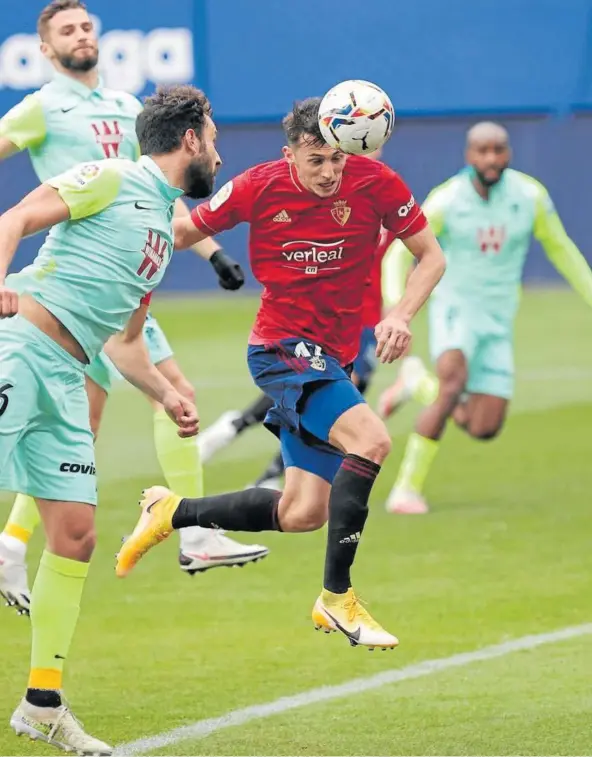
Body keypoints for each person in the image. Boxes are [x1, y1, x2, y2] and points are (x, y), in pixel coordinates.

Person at [116, 97, 446, 650]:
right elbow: (179, 232)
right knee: (372, 438)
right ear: (288, 152)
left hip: (332, 356)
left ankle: (171, 511)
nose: (329, 172)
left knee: (302, 513)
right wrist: (119, 252)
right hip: (280, 347)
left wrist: (401, 314)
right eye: (315, 160)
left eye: (336, 160)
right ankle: (336, 599)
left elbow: (430, 256)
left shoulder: (377, 181)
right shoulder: (256, 185)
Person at [0, 0, 266, 615]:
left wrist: (214, 253)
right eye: (66, 29)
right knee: (137, 400)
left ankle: (22, 547)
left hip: (130, 269)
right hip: (71, 276)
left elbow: (163, 190)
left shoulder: (128, 108)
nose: (81, 34)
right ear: (45, 48)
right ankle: (191, 529)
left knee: (111, 417)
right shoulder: (42, 107)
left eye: (87, 25)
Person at [0, 83, 217, 754]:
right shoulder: (114, 177)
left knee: (75, 533)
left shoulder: (160, 226)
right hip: (23, 349)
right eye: (212, 138)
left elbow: (125, 341)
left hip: (69, 377)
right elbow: (15, 217)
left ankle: (42, 703)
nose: (216, 150)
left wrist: (164, 392)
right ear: (188, 142)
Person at [381, 122, 592, 515]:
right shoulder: (448, 199)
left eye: (499, 150)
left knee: (484, 427)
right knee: (453, 382)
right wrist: (398, 311)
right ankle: (406, 489)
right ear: (468, 155)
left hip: (499, 320)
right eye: (482, 150)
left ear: (508, 153)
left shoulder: (530, 197)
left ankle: (417, 384)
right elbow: (398, 252)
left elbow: (561, 249)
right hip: (456, 309)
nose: (491, 159)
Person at [197, 213, 397, 490]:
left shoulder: (384, 210)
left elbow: (410, 254)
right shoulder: (331, 211)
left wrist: (400, 310)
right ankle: (261, 460)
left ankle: (243, 437)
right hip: (330, 319)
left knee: (326, 393)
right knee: (325, 394)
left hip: (365, 323)